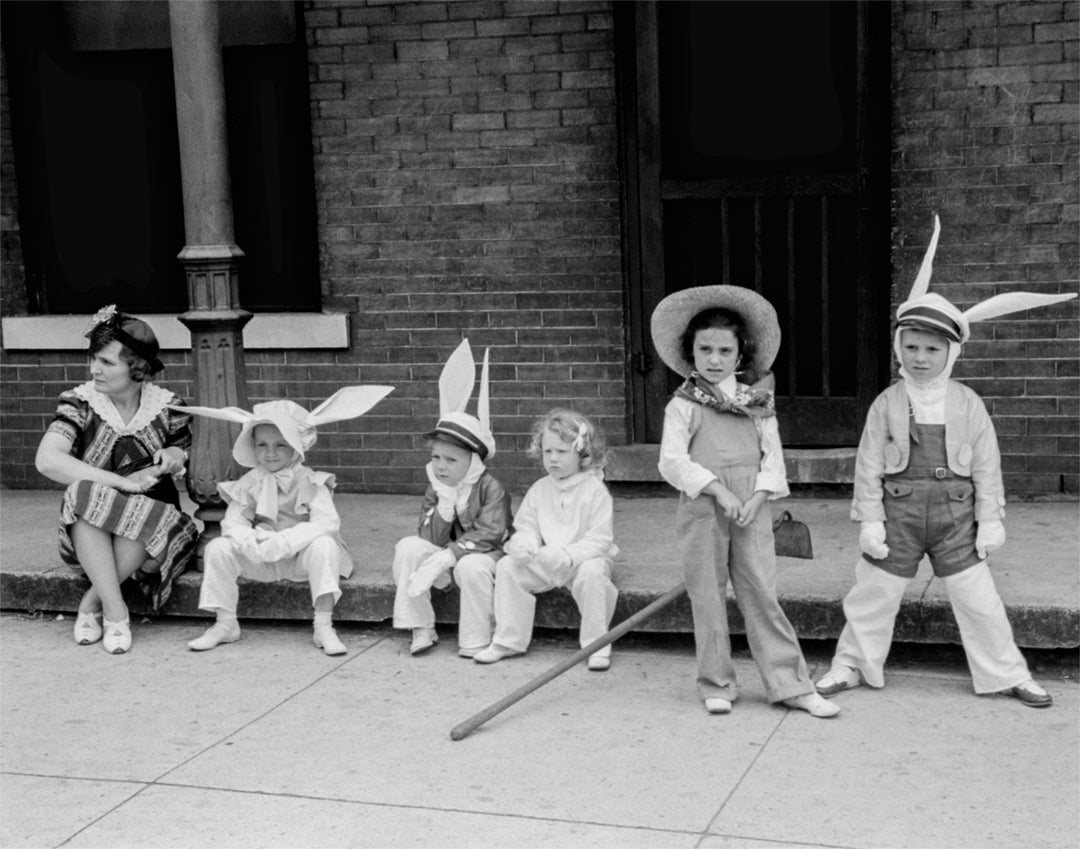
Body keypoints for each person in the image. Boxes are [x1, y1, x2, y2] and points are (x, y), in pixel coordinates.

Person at [815, 216, 1075, 708]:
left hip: (956, 516)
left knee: (979, 599)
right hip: (899, 514)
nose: (920, 358)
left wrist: (989, 519)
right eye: (910, 347)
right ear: (898, 348)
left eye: (932, 349)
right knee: (874, 594)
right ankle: (851, 663)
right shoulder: (887, 403)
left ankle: (1006, 672)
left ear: (951, 352)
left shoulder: (968, 403)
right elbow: (869, 465)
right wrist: (870, 519)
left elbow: (986, 467)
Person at [651, 285, 840, 718]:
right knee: (707, 594)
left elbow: (773, 457)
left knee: (760, 592)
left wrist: (756, 498)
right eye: (704, 350)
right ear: (690, 353)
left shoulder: (757, 404)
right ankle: (716, 681)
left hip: (752, 507)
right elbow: (672, 461)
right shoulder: (682, 405)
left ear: (740, 356)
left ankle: (790, 683)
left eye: (723, 350)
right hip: (704, 505)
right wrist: (718, 490)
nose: (714, 360)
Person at [180, 387, 393, 655]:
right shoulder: (250, 482)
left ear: (297, 445)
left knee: (325, 545)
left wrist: (285, 541)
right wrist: (252, 541)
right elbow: (233, 521)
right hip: (264, 556)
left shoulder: (310, 481)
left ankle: (323, 625)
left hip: (299, 558)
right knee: (217, 548)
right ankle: (225, 623)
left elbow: (327, 522)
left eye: (281, 444)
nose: (270, 453)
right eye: (262, 445)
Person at [35, 305, 197, 654]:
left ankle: (93, 603)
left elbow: (187, 454)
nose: (95, 369)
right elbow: (47, 460)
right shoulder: (79, 404)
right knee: (84, 494)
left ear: (136, 367)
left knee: (149, 509)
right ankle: (117, 612)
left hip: (153, 534)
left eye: (107, 362)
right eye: (93, 358)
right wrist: (119, 481)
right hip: (90, 535)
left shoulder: (170, 408)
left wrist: (175, 455)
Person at [392, 339, 513, 657]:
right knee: (408, 547)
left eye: (451, 460)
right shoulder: (438, 486)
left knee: (471, 566)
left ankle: (475, 638)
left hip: (485, 557)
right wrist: (444, 502)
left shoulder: (490, 488)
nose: (441, 467)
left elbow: (491, 535)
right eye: (436, 458)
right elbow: (427, 536)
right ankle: (420, 626)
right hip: (447, 555)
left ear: (473, 462)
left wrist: (448, 556)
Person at [474, 409, 619, 670]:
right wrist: (524, 544)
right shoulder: (540, 489)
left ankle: (596, 643)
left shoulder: (595, 490)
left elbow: (600, 539)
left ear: (582, 454)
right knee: (508, 567)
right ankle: (509, 640)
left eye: (562, 452)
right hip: (546, 559)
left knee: (593, 575)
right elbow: (526, 525)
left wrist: (569, 556)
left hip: (581, 561)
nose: (553, 459)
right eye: (547, 451)